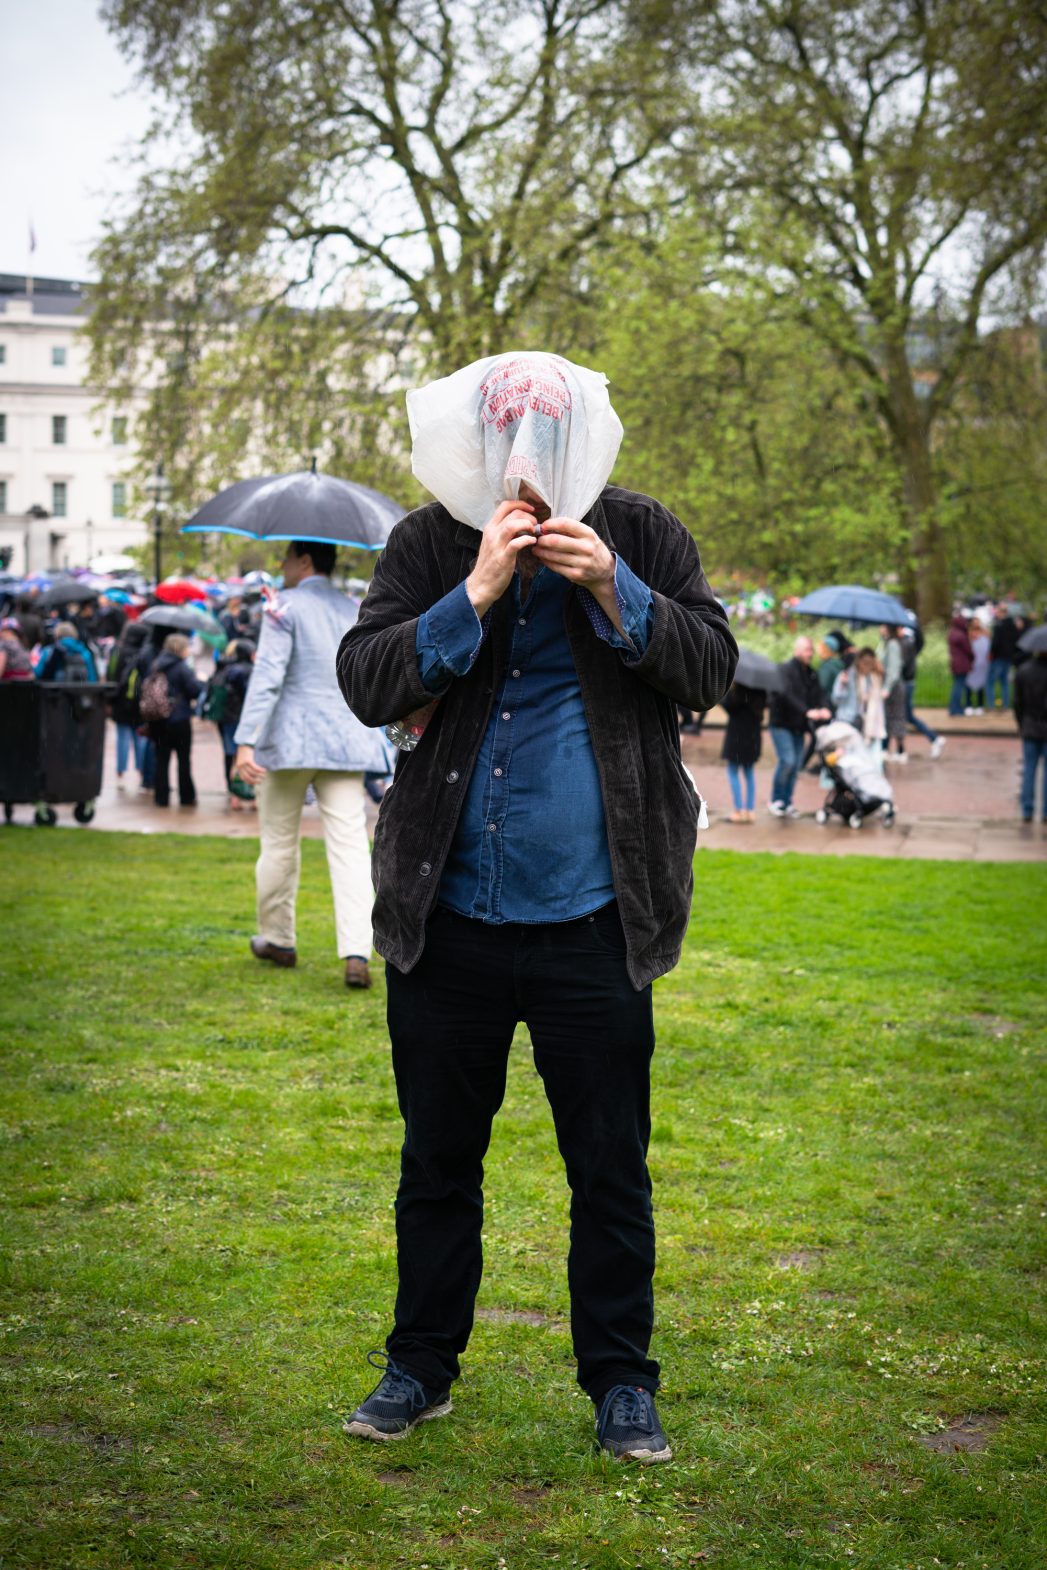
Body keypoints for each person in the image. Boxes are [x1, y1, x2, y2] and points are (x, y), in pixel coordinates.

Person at [335, 350, 737, 1462]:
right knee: (437, 1163)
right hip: (445, 914)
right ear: (476, 436)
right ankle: (420, 1366)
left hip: (595, 917)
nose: (525, 450)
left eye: (545, 430)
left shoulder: (643, 532)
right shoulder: (427, 541)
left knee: (609, 1165)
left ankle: (622, 1382)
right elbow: (366, 677)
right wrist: (472, 593)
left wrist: (615, 583)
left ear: (579, 438)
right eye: (506, 428)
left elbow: (709, 667)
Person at [233, 540, 390, 988]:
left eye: (284, 558)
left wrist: (245, 741)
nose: (280, 567)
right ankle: (357, 950)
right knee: (350, 846)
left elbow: (268, 676)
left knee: (279, 842)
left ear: (304, 561)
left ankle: (279, 938)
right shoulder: (352, 607)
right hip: (345, 739)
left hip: (290, 742)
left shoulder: (284, 605)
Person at [767, 636, 831, 816]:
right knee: (787, 761)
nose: (809, 654)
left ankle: (787, 802)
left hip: (798, 726)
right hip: (781, 723)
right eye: (806, 650)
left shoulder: (811, 673)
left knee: (796, 765)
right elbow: (786, 694)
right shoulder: (785, 670)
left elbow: (820, 694)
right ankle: (776, 799)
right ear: (797, 650)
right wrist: (806, 711)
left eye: (811, 650)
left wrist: (824, 708)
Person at [147, 632, 204, 808]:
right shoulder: (181, 667)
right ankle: (186, 796)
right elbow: (194, 690)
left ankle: (161, 797)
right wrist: (201, 681)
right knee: (183, 759)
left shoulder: (155, 665)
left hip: (158, 718)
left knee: (161, 759)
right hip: (179, 718)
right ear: (180, 648)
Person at [204, 638, 255, 809]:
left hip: (225, 718)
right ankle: (249, 794)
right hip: (241, 718)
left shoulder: (224, 668)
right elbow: (250, 696)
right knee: (248, 756)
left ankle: (232, 791)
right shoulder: (247, 671)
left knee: (229, 754)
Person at [899, 621, 945, 759]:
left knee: (906, 716)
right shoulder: (908, 642)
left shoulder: (905, 643)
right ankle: (897, 750)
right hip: (907, 682)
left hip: (905, 683)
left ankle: (934, 739)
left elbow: (903, 665)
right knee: (903, 716)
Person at [721, 680, 765, 821]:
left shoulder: (737, 692)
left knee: (732, 772)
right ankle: (750, 811)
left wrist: (730, 688)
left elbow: (727, 705)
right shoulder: (760, 691)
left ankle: (738, 811)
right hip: (752, 737)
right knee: (749, 773)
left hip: (737, 737)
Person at [1013, 645, 1047, 823]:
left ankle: (1027, 809)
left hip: (1029, 725)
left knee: (1029, 769)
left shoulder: (1024, 671)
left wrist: (1021, 724)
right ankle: (1045, 812)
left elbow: (1017, 702)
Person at [832, 647, 885, 750]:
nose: (867, 667)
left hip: (864, 723)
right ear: (859, 662)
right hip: (845, 720)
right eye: (865, 663)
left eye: (870, 664)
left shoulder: (871, 677)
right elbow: (836, 699)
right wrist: (843, 686)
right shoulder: (846, 675)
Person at [878, 625, 908, 763]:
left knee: (896, 717)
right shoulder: (884, 643)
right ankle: (886, 749)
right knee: (888, 718)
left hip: (893, 687)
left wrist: (887, 688)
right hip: (887, 685)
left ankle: (901, 750)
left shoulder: (893, 644)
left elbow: (894, 669)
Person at [988, 604, 1020, 711]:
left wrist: (991, 653)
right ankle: (1005, 706)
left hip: (998, 658)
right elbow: (1017, 641)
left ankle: (991, 705)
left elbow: (995, 642)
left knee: (990, 682)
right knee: (1005, 683)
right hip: (1009, 657)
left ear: (1002, 612)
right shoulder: (1013, 625)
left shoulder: (999, 625)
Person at [947, 614, 974, 716]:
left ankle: (954, 707)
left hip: (955, 663)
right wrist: (973, 658)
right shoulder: (961, 635)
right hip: (962, 664)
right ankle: (956, 708)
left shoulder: (952, 633)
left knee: (956, 686)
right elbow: (968, 650)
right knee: (959, 687)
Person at [966, 617, 990, 715]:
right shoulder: (968, 634)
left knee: (981, 686)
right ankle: (969, 705)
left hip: (982, 664)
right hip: (971, 664)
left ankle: (980, 705)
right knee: (968, 685)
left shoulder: (985, 634)